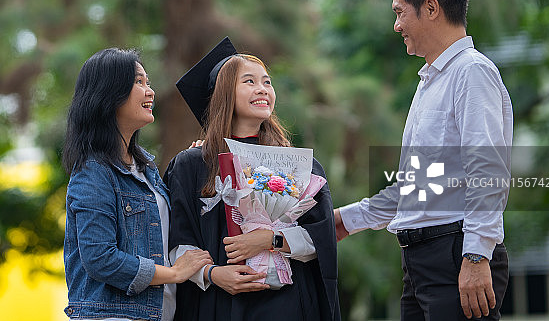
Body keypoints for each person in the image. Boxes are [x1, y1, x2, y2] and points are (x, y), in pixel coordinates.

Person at [334, 0, 512, 321]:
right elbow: (415, 187)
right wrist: (346, 220)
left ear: (431, 8)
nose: (396, 25)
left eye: (400, 13)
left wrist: (476, 256)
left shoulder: (471, 73)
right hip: (420, 265)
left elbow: (488, 172)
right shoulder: (430, 82)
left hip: (456, 256)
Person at [164, 37, 341, 321]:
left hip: (287, 305)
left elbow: (321, 240)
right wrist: (212, 274)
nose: (262, 89)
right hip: (217, 302)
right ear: (224, 93)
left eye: (267, 82)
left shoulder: (298, 165)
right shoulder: (192, 165)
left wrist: (271, 239)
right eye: (249, 81)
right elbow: (177, 242)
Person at [63, 48, 212, 321]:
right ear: (109, 93)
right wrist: (175, 273)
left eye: (148, 82)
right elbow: (100, 258)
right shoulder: (94, 171)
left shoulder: (147, 170)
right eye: (138, 82)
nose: (150, 91)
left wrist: (195, 162)